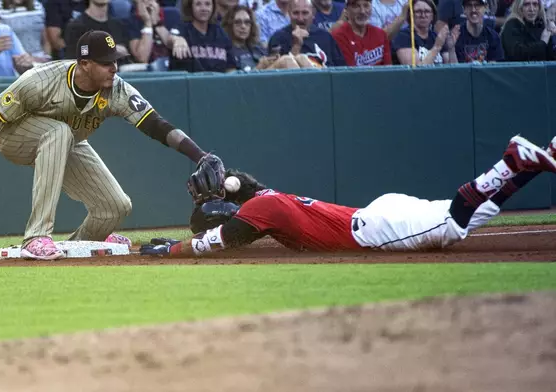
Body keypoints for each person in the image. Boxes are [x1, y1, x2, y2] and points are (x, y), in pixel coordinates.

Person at [0, 30, 225, 261]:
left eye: (115, 61)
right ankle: (36, 237)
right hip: (11, 136)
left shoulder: (117, 88)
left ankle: (86, 241)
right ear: (84, 64)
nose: (114, 68)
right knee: (59, 132)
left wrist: (200, 155)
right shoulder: (41, 80)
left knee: (115, 207)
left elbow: (155, 124)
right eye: (106, 62)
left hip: (66, 139)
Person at [139, 135, 556, 257]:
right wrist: (227, 180)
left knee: (452, 225)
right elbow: (243, 186)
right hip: (376, 214)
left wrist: (167, 248)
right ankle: (534, 163)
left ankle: (508, 162)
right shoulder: (265, 200)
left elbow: (211, 243)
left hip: (373, 229)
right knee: (470, 220)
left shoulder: (259, 210)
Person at [221, 5, 303, 70]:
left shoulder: (257, 47)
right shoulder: (226, 51)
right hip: (246, 85)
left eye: (247, 22)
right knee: (286, 61)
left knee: (301, 58)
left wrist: (272, 60)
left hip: (267, 82)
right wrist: (260, 67)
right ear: (229, 25)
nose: (243, 26)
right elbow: (235, 81)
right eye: (237, 22)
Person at [267, 0, 346, 67]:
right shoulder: (278, 38)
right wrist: (296, 45)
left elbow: (341, 69)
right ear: (289, 13)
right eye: (296, 13)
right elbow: (276, 75)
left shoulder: (325, 37)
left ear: (313, 14)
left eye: (305, 13)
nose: (300, 18)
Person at [169, 0, 237, 72]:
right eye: (198, 4)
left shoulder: (220, 32)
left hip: (218, 81)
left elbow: (231, 68)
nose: (203, 8)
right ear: (191, 7)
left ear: (213, 7)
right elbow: (169, 40)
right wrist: (176, 39)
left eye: (207, 4)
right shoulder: (182, 28)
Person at [391, 0, 460, 65]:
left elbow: (453, 69)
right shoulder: (403, 36)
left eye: (427, 11)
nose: (423, 15)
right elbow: (414, 72)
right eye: (418, 11)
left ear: (433, 16)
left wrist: (451, 49)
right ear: (411, 15)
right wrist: (436, 47)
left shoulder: (435, 36)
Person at [331, 0, 391, 66]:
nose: (362, 11)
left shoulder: (380, 34)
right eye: (356, 6)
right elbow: (349, 73)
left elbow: (388, 69)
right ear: (347, 10)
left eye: (366, 5)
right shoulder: (338, 37)